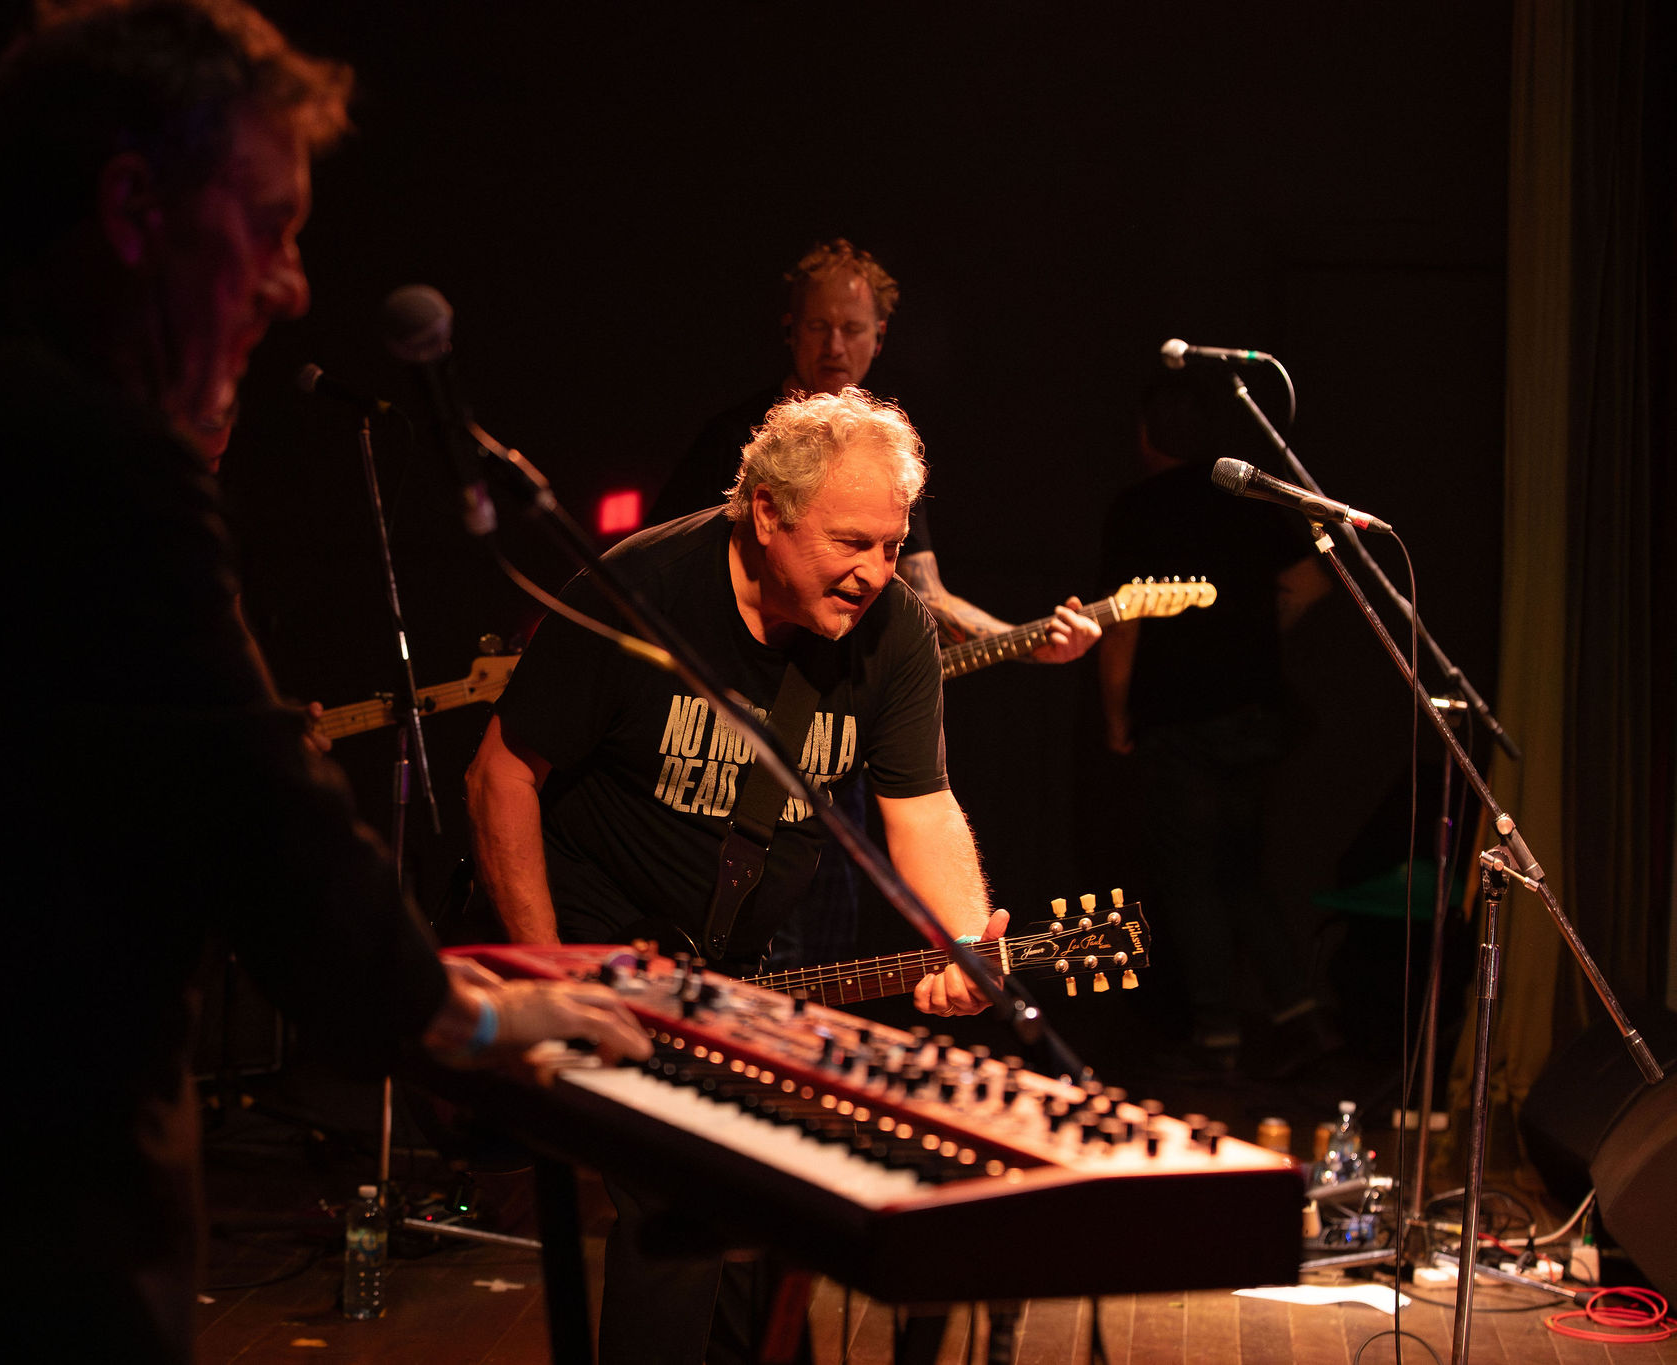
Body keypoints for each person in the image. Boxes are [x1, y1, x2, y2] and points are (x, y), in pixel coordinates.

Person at [0, 4, 644, 1361]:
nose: (291, 286)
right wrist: (469, 1017)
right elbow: (261, 812)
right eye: (272, 226)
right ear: (132, 205)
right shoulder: (86, 456)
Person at [467, 386, 1008, 1363]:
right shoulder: (638, 592)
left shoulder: (893, 634)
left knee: (761, 1207)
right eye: (852, 543)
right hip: (594, 943)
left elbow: (920, 806)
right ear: (765, 513)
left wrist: (961, 940)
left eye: (891, 547)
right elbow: (501, 772)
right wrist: (548, 979)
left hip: (730, 958)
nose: (876, 574)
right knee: (680, 1193)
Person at [649, 238, 1099, 968]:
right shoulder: (734, 441)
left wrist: (1025, 636)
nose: (835, 345)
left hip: (830, 740)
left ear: (879, 337)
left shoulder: (881, 458)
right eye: (819, 326)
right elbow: (666, 582)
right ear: (789, 328)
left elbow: (924, 594)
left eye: (853, 329)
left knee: (818, 956)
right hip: (724, 737)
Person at [1097, 368, 1335, 1071]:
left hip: (1181, 720)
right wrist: (1260, 625)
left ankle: (1218, 1034)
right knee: (1241, 870)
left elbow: (1123, 627)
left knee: (1193, 876)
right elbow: (1316, 574)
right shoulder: (1246, 502)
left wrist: (1116, 718)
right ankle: (1299, 1013)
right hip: (1252, 713)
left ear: (1145, 436)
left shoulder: (1137, 510)